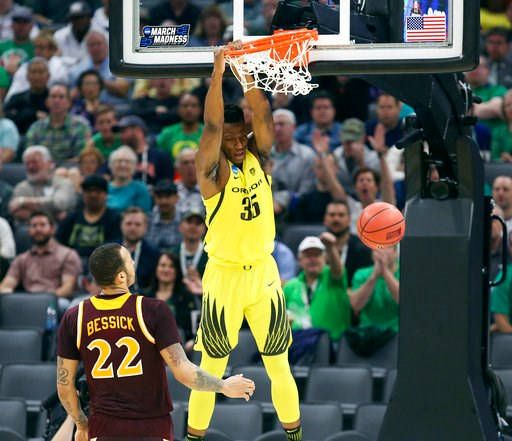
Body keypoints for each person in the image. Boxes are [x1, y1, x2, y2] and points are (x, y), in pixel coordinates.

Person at [188, 47, 302, 441]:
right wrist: (219, 72)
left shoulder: (259, 155)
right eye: (232, 139)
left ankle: (295, 436)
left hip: (264, 273)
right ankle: (193, 437)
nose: (238, 144)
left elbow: (264, 115)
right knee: (212, 366)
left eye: (242, 137)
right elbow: (213, 127)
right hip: (225, 277)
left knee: (279, 364)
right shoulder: (211, 172)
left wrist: (249, 72)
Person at [56, 242, 255, 440]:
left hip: (102, 429)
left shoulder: (75, 317)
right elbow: (183, 371)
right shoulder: (152, 310)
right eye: (129, 260)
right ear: (122, 276)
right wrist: (223, 386)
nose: (133, 262)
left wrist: (81, 424)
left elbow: (64, 385)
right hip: (150, 428)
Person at [0, 210, 82, 301]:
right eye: (34, 226)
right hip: (27, 301)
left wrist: (42, 300)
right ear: (29, 231)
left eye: (42, 225)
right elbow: (6, 285)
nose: (38, 229)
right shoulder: (21, 259)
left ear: (52, 229)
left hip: (56, 300)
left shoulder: (68, 255)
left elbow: (67, 289)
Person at [284, 235, 351, 341]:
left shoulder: (332, 278)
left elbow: (338, 270)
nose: (312, 259)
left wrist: (330, 247)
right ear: (300, 260)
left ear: (325, 258)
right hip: (298, 343)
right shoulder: (290, 286)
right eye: (308, 256)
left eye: (317, 255)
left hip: (331, 343)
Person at [56, 175, 122, 269]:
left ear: (106, 194)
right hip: (70, 264)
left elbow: (115, 246)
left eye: (98, 192)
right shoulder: (71, 218)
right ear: (83, 194)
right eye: (89, 191)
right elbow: (59, 243)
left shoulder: (114, 218)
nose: (93, 195)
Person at [25, 83, 92, 164]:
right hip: (41, 170)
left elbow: (81, 156)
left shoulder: (81, 125)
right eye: (53, 96)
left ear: (69, 102)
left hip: (71, 170)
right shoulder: (35, 127)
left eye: (61, 97)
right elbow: (30, 155)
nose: (56, 101)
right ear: (47, 102)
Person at [9, 145, 77, 223]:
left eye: (35, 162)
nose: (31, 166)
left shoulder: (64, 183)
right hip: (29, 229)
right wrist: (53, 213)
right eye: (27, 163)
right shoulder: (21, 187)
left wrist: (23, 201)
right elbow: (17, 211)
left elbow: (59, 203)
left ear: (49, 163)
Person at [145, 251, 198, 351]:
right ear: (156, 268)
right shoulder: (144, 298)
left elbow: (195, 327)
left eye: (171, 266)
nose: (166, 270)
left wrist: (192, 342)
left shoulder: (186, 298)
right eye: (163, 265)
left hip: (181, 351)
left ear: (177, 271)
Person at [350, 246, 400, 333]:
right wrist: (373, 277)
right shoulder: (361, 274)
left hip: (396, 332)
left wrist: (385, 272)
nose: (381, 251)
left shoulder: (405, 271)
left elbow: (404, 301)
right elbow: (356, 306)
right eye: (377, 248)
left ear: (396, 253)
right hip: (367, 332)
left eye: (386, 247)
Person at [323, 200, 372, 287]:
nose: (336, 219)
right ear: (325, 219)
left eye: (341, 215)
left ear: (349, 219)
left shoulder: (362, 249)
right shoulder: (317, 247)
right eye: (332, 215)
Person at [121, 206, 160, 292]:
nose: (132, 228)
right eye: (128, 223)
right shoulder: (110, 251)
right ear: (121, 225)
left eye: (137, 224)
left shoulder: (153, 254)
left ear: (145, 228)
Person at [106, 145, 152, 213]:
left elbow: (144, 216)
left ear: (134, 167)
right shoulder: (104, 188)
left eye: (128, 162)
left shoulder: (140, 189)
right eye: (119, 161)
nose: (123, 165)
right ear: (110, 165)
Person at [146, 179, 182, 252]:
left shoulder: (186, 220)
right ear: (154, 199)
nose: (164, 201)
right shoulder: (147, 220)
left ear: (177, 198)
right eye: (160, 197)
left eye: (168, 196)